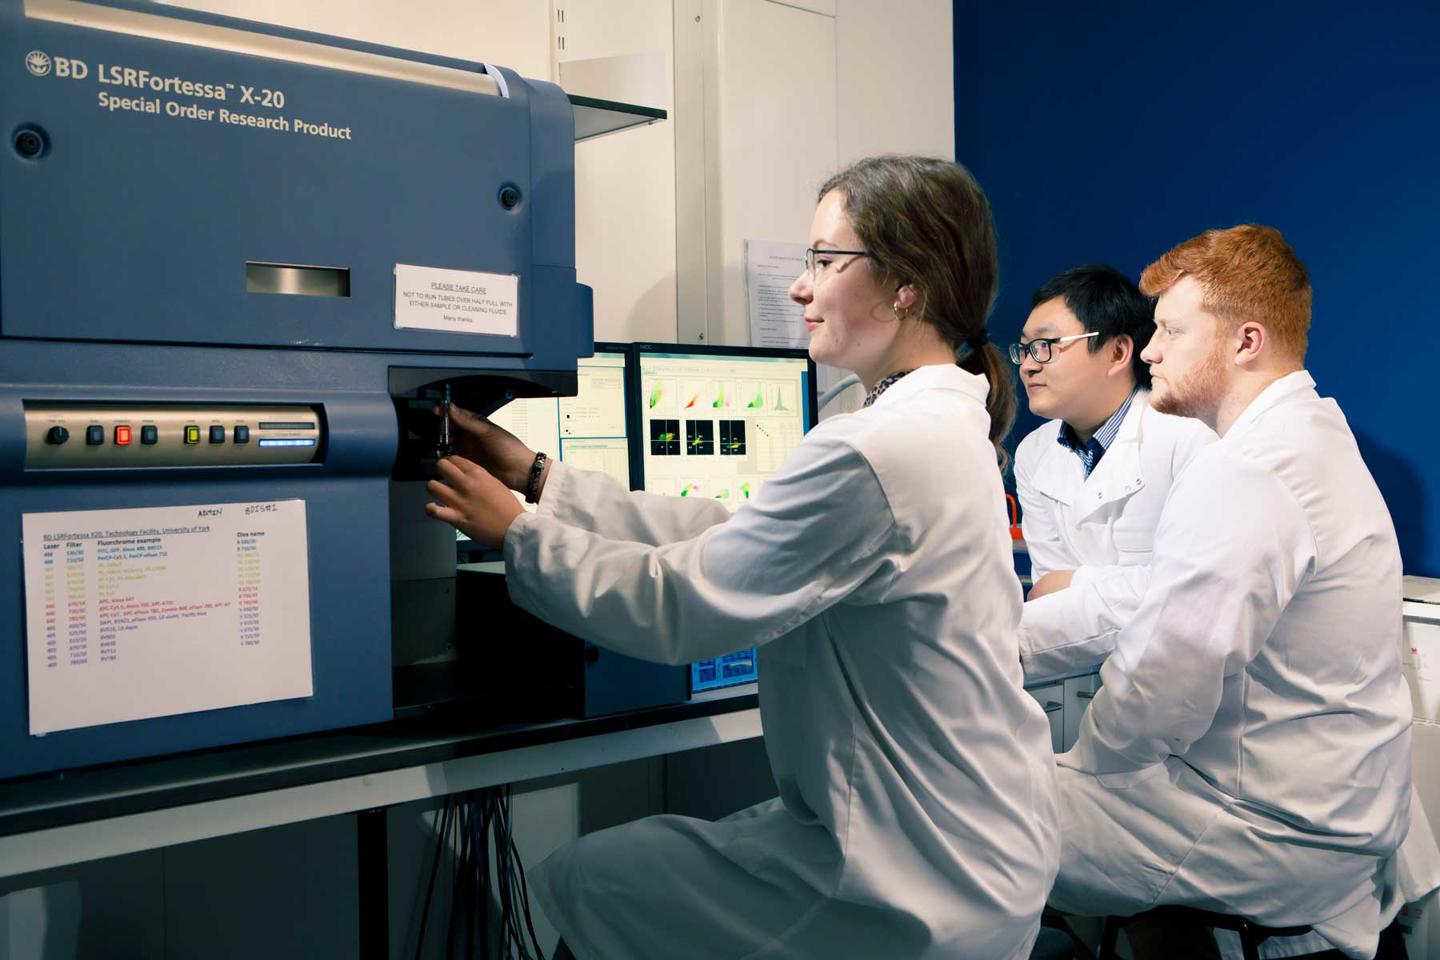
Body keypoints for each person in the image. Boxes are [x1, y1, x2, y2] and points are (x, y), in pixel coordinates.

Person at [424, 155, 1060, 960]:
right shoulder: (939, 424)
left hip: (915, 880)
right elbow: (735, 531)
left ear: (906, 287)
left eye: (825, 261)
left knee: (594, 878)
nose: (801, 286)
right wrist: (542, 480)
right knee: (635, 871)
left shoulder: (883, 447)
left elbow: (681, 606)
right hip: (968, 843)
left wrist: (515, 532)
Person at [1049, 224, 1437, 958]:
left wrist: (1076, 778)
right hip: (1326, 817)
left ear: (1246, 342)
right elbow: (1162, 594)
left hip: (1265, 831)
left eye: (1169, 330)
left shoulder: (1250, 470)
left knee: (952, 818)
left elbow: (1158, 692)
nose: (1150, 350)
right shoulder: (1314, 433)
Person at [1010, 265, 1213, 681]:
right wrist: (1125, 586)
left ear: (1118, 353)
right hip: (1082, 676)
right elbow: (1050, 589)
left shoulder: (1188, 437)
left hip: (1182, 683)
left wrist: (1081, 582)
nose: (1028, 366)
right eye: (1025, 349)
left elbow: (1190, 594)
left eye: (1046, 346)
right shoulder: (1034, 453)